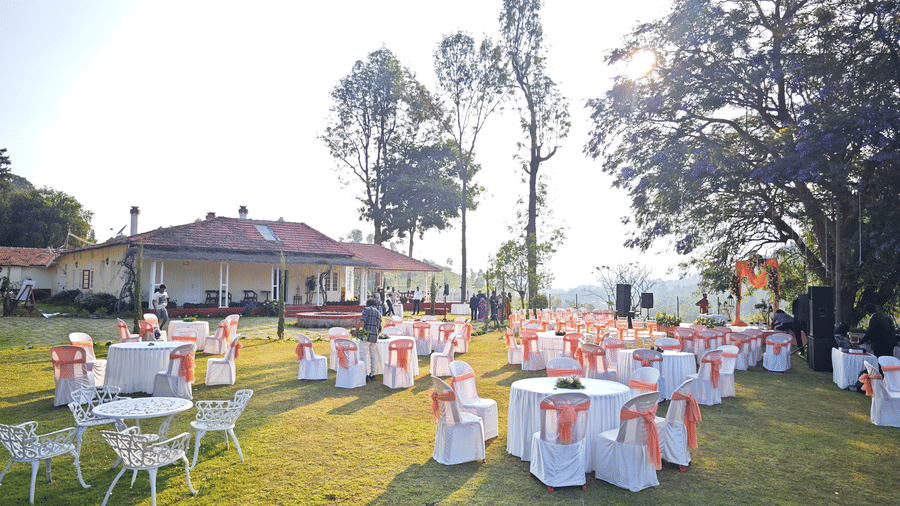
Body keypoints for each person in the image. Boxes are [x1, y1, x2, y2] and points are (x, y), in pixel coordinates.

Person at [355, 298, 382, 382]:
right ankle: (372, 374)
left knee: (363, 355)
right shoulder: (379, 313)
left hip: (366, 336)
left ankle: (365, 374)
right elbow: (380, 328)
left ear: (368, 303)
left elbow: (362, 321)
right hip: (374, 337)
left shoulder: (366, 309)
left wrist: (356, 330)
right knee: (373, 356)